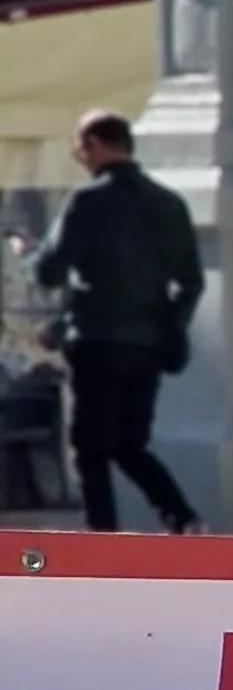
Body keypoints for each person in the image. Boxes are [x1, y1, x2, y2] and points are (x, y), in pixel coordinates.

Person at [22, 111, 203, 533]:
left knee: (90, 448)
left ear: (96, 145)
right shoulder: (169, 203)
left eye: (80, 148)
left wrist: (29, 253)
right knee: (129, 443)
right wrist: (170, 326)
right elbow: (190, 281)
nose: (79, 157)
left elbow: (50, 271)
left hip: (96, 343)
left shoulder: (87, 201)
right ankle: (183, 517)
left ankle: (102, 541)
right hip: (148, 344)